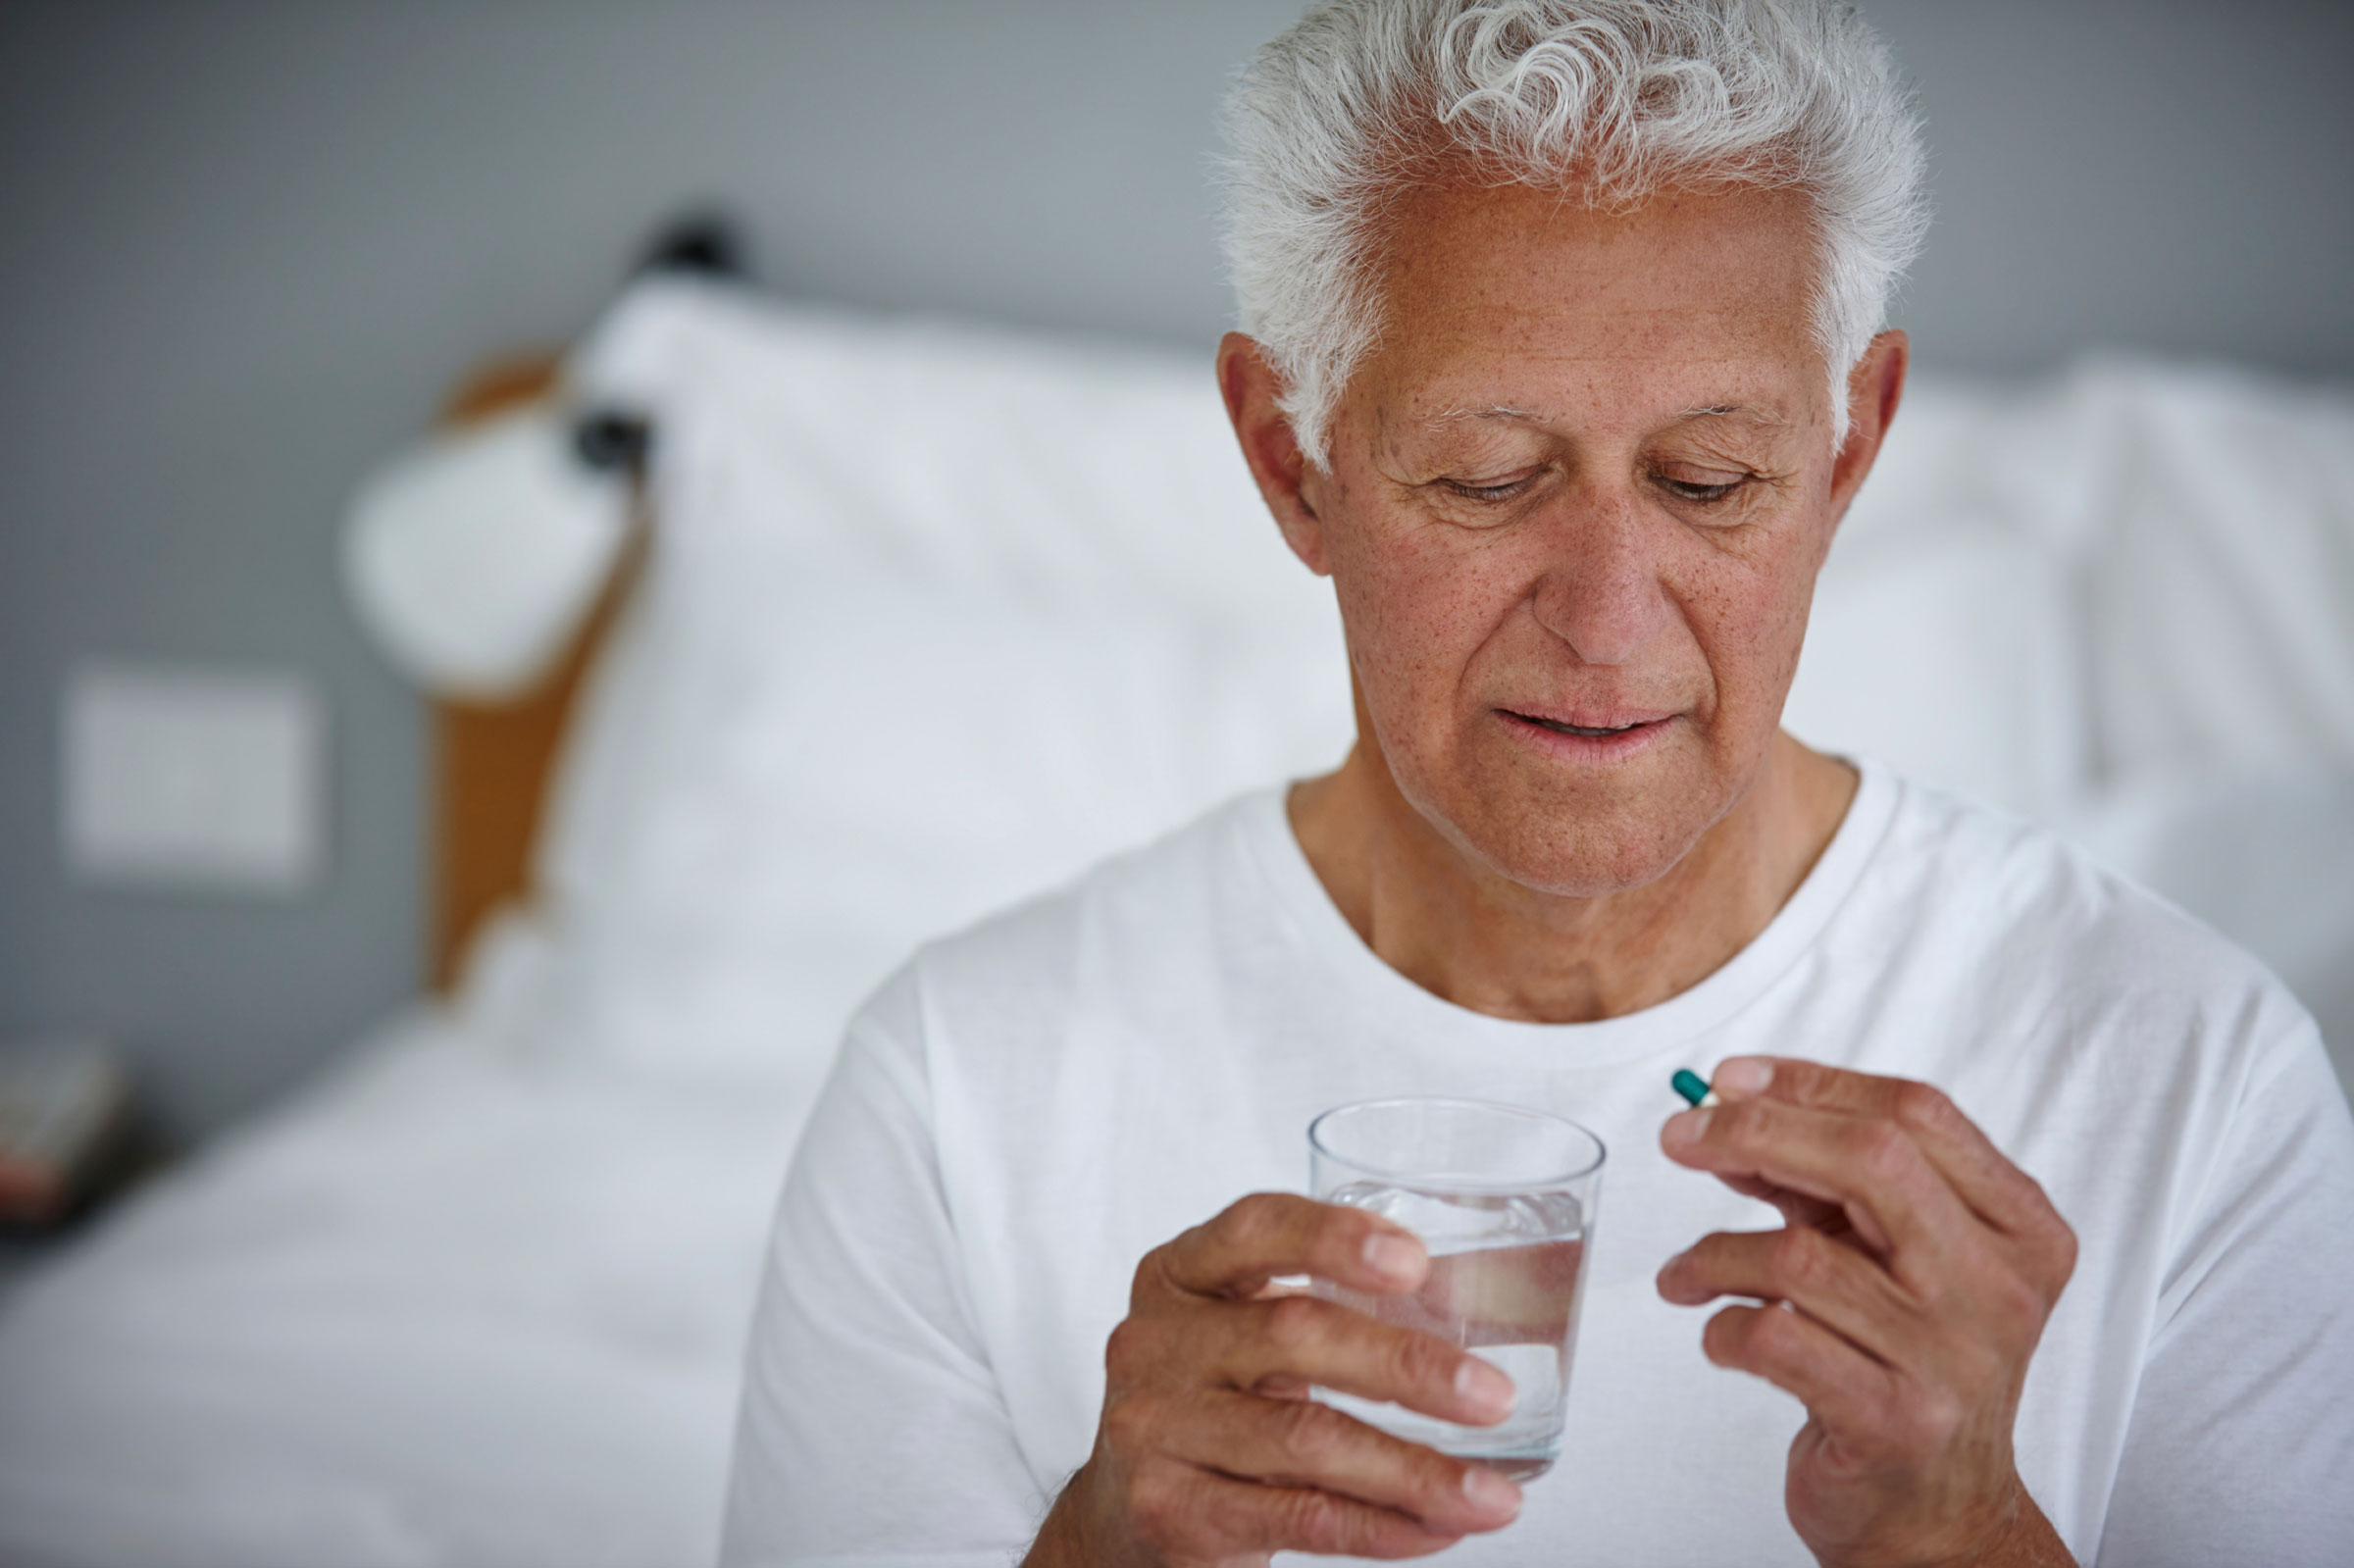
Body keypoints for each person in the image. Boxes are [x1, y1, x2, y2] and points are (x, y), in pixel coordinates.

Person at [720, 2, 2354, 1563]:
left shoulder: (2189, 1080)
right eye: (1490, 478)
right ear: (1294, 463)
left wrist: (1962, 1539)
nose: (1607, 617)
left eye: (1713, 480)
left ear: (1849, 451)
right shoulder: (959, 1089)